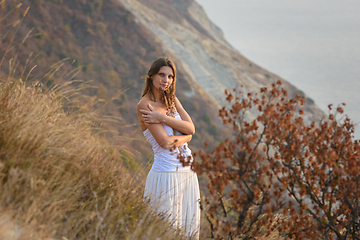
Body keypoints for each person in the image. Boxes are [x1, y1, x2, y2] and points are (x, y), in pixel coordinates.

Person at [136, 57, 200, 238]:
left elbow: (191, 128)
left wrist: (163, 118)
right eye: (162, 75)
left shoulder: (172, 100)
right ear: (151, 76)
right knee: (165, 231)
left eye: (170, 77)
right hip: (166, 174)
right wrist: (186, 137)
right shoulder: (144, 105)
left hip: (188, 172)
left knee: (187, 230)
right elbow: (164, 142)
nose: (166, 80)